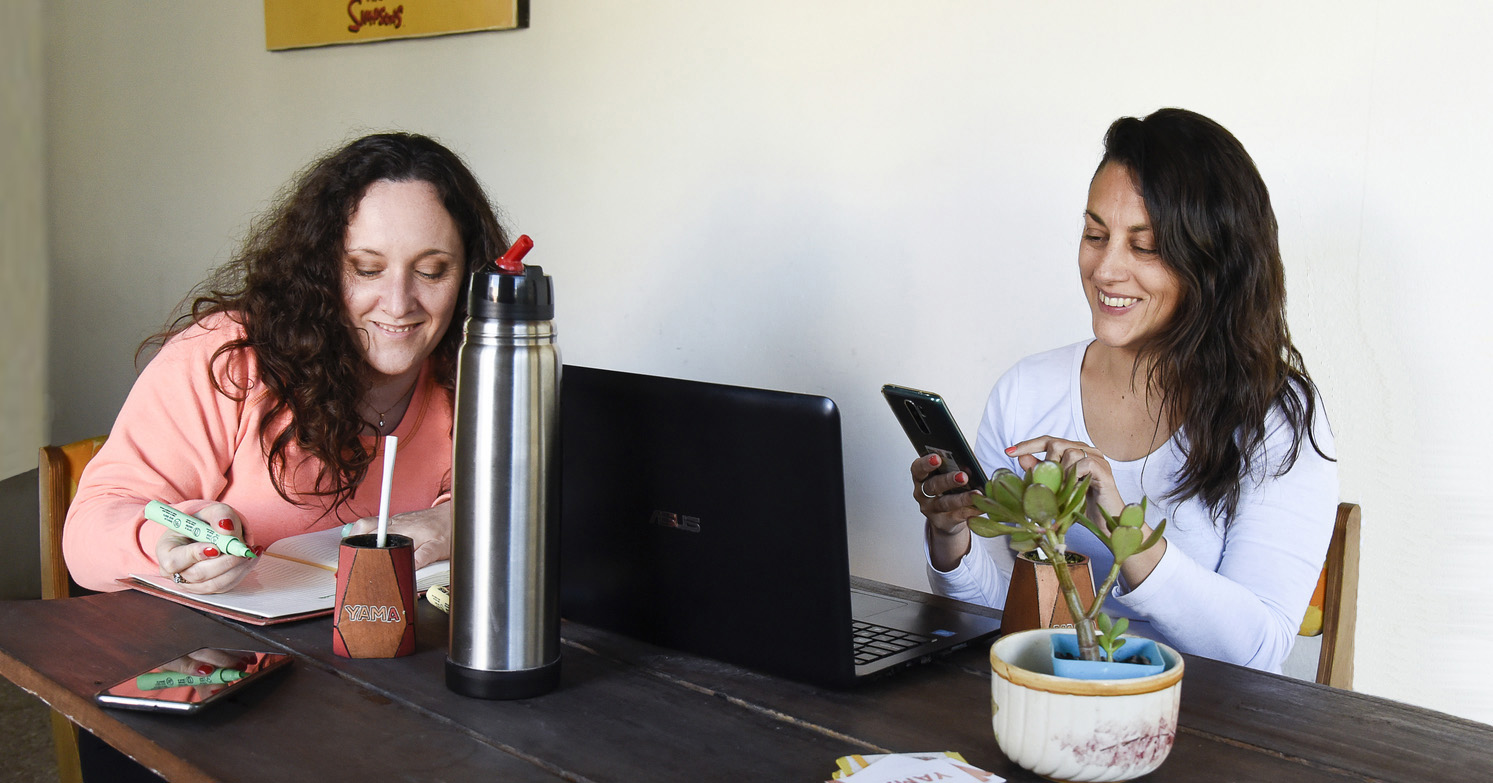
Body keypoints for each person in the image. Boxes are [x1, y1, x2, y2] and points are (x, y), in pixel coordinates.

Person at [911, 108, 1338, 673]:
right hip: (1052, 704)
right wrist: (951, 536)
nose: (1106, 270)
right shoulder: (1026, 389)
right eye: (1095, 235)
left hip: (1210, 728)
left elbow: (1258, 650)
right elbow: (1000, 622)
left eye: (1146, 246)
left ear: (1214, 262)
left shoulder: (1275, 421)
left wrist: (1121, 528)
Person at [63, 132, 510, 595]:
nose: (398, 304)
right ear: (321, 268)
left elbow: (509, 499)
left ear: (470, 276)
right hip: (220, 655)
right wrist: (164, 543)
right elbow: (87, 538)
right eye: (366, 268)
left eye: (431, 271)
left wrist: (449, 520)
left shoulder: (475, 373)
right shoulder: (230, 359)